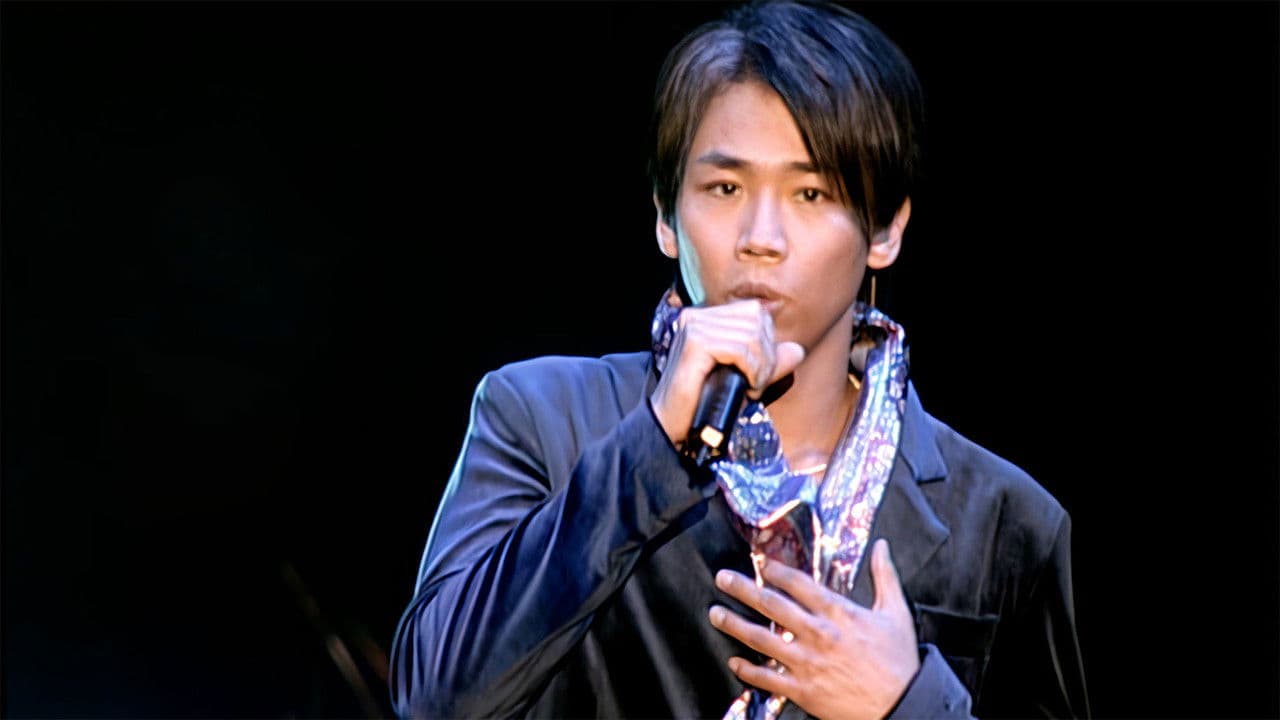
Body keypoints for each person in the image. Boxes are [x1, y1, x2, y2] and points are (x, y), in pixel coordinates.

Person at [389, 1, 1089, 718]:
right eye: (725, 189)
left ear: (884, 231)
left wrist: (906, 704)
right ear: (666, 216)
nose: (761, 237)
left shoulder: (1006, 520)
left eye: (811, 193)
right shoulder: (544, 419)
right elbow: (433, 698)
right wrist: (652, 444)